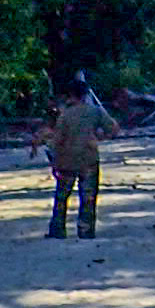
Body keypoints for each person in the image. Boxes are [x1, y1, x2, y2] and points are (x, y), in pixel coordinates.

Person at [35, 80, 113, 240]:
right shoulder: (96, 112)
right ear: (85, 94)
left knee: (62, 197)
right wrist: (99, 138)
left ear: (69, 95)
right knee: (88, 197)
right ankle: (86, 231)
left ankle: (58, 230)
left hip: (67, 160)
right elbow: (113, 129)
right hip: (89, 158)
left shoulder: (64, 115)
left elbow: (57, 141)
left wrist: (54, 162)